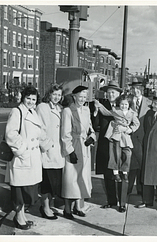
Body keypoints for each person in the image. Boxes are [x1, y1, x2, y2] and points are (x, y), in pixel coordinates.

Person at [5, 86, 53, 230]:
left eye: (34, 99)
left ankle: (22, 216)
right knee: (19, 190)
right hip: (22, 158)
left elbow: (39, 133)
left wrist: (48, 145)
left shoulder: (33, 112)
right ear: (23, 98)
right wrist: (22, 150)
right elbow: (10, 134)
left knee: (29, 191)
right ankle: (19, 217)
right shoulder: (17, 111)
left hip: (32, 158)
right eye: (28, 99)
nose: (31, 102)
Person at [61, 85, 96, 219]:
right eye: (80, 96)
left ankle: (78, 206)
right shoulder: (68, 111)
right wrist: (70, 151)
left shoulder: (86, 110)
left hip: (85, 147)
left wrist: (91, 138)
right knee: (70, 179)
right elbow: (65, 134)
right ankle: (67, 209)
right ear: (74, 96)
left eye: (84, 97)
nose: (82, 99)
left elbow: (91, 128)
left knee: (82, 178)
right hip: (74, 145)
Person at [93, 80, 129, 213]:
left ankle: (122, 203)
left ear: (119, 93)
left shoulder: (124, 106)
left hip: (120, 145)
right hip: (105, 144)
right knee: (108, 175)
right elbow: (95, 124)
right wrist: (96, 112)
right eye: (108, 92)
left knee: (121, 174)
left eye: (113, 92)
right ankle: (111, 200)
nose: (110, 94)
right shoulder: (102, 105)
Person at [94, 94, 140, 184]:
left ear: (129, 105)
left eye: (126, 104)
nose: (124, 106)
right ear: (119, 104)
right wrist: (99, 105)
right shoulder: (116, 111)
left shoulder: (132, 113)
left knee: (128, 153)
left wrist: (130, 130)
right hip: (116, 134)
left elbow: (137, 124)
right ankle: (116, 173)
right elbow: (106, 112)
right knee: (116, 154)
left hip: (125, 135)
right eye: (122, 104)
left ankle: (125, 171)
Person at [36, 84, 65, 220]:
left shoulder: (60, 108)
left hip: (58, 152)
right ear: (49, 94)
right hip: (48, 151)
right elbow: (39, 129)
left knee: (55, 182)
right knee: (47, 182)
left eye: (59, 95)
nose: (57, 97)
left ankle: (50, 205)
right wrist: (47, 145)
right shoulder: (42, 107)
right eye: (54, 94)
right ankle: (45, 207)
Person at [127, 79, 152, 195]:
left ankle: (141, 189)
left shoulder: (149, 103)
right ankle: (128, 188)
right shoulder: (127, 102)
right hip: (130, 137)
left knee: (142, 165)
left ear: (142, 89)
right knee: (131, 165)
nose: (136, 91)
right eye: (134, 89)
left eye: (139, 89)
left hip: (142, 139)